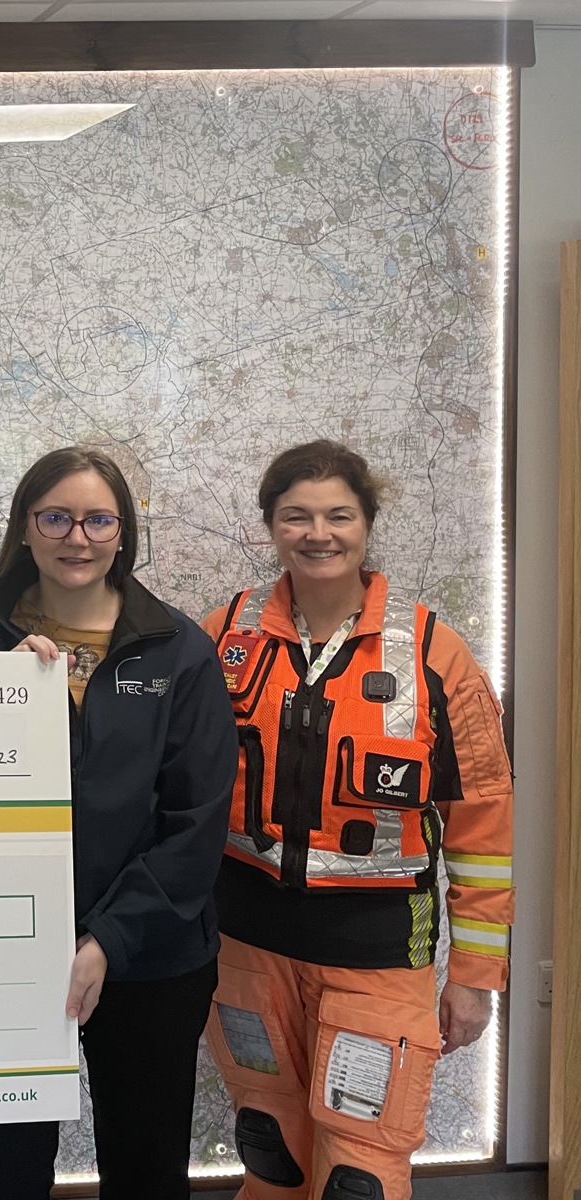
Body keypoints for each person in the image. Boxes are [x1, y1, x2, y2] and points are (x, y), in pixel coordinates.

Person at [203, 441, 513, 1200]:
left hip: (376, 957)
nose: (319, 533)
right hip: (246, 952)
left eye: (338, 515)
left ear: (367, 524)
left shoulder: (435, 657)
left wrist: (474, 978)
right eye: (296, 516)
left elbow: (482, 826)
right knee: (270, 1149)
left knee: (359, 1173)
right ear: (271, 527)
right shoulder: (221, 640)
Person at [0, 446, 236, 1200]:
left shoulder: (179, 649)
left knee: (145, 1170)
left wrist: (106, 940)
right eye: (56, 517)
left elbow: (195, 823)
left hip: (149, 962)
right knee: (2, 1174)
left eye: (100, 519)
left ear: (124, 533)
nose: (78, 537)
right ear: (25, 528)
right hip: (2, 953)